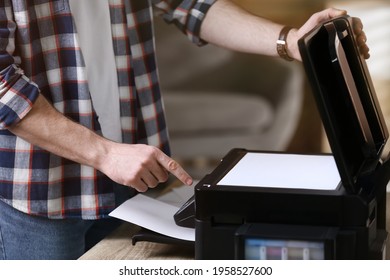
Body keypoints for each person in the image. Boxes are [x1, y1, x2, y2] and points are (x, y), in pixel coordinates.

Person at [0, 0, 369, 260]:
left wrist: (291, 41)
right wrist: (105, 153)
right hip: (41, 192)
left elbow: (194, 4)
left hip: (132, 183)